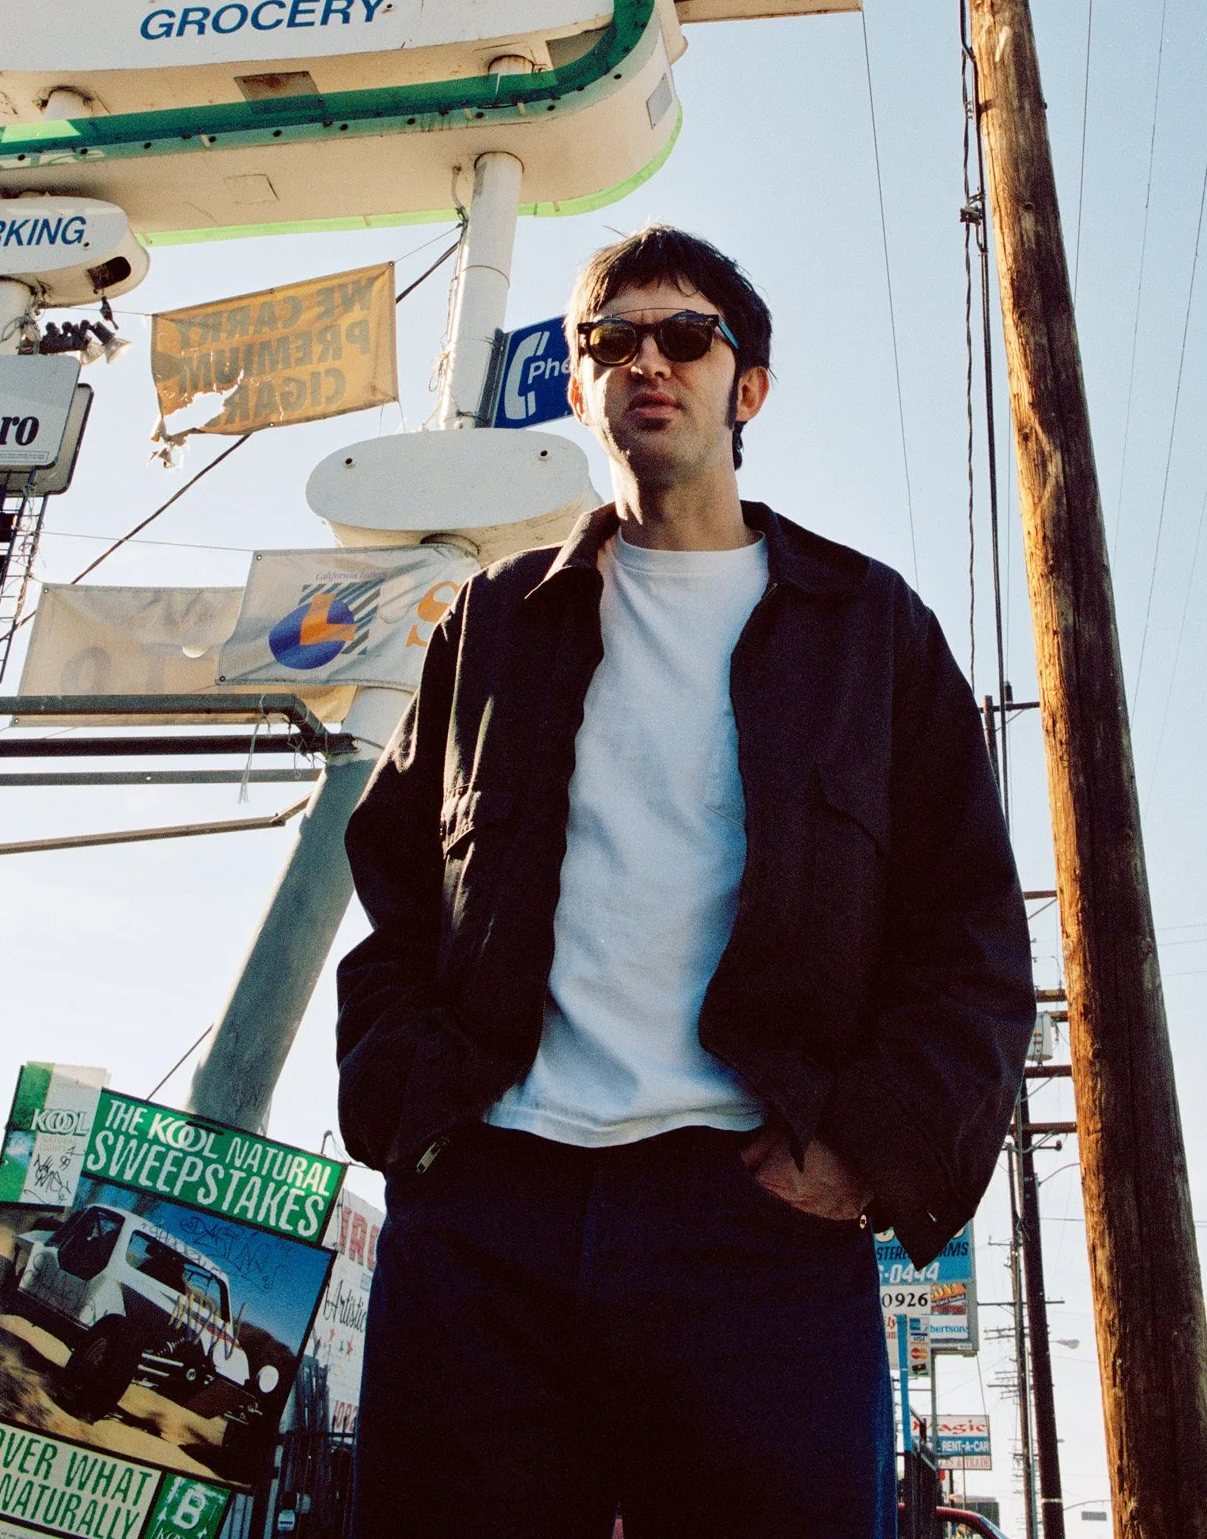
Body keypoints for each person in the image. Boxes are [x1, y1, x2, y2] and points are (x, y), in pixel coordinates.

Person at [338, 226, 1033, 1539]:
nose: (644, 361)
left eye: (685, 336)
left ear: (747, 386)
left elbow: (971, 946)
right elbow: (394, 899)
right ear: (584, 384)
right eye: (611, 341)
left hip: (753, 1233)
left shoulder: (869, 631)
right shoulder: (496, 620)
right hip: (490, 1223)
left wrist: (859, 1155)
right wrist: (413, 1118)